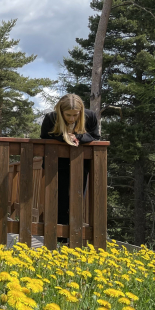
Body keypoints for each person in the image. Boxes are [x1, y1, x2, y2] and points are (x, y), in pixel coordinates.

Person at [40, 94, 100, 226]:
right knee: (57, 199)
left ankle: (73, 232)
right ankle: (58, 233)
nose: (72, 118)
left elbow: (95, 137)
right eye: (68, 115)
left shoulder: (90, 116)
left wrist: (78, 137)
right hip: (56, 164)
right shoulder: (51, 118)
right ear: (61, 111)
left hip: (80, 163)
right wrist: (64, 137)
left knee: (77, 198)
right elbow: (44, 137)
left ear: (81, 111)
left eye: (75, 115)